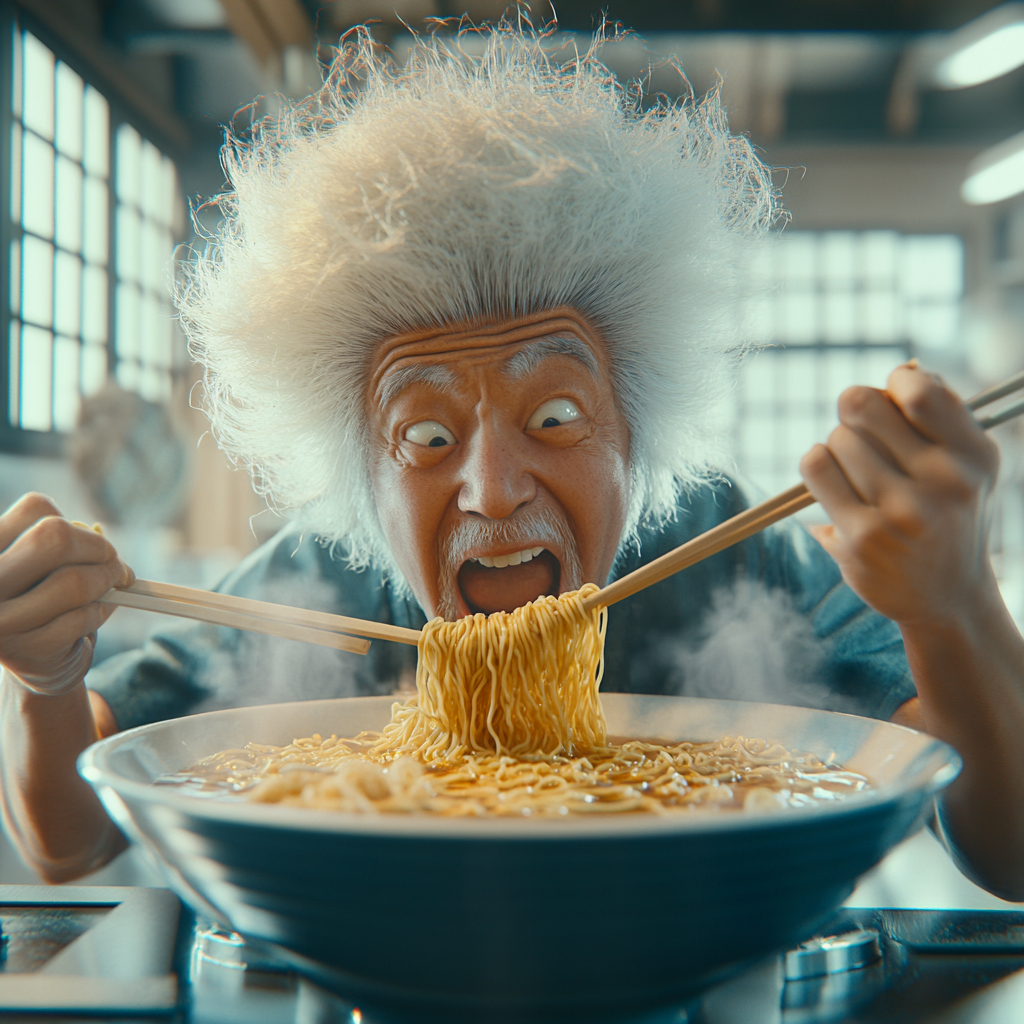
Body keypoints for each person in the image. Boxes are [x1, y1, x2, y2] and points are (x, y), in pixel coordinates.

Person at [1, 24, 1022, 896]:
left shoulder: (729, 552)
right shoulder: (310, 585)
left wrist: (955, 604)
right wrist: (47, 681)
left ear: (638, 432)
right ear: (362, 469)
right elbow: (66, 839)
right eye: (428, 437)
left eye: (557, 417)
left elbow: (1008, 847)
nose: (492, 489)